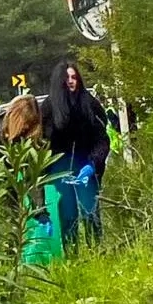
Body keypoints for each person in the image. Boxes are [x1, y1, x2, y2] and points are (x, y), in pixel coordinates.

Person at [45, 61, 110, 243]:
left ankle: (96, 250)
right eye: (66, 78)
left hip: (86, 164)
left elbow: (102, 139)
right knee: (68, 215)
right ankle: (71, 253)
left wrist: (93, 164)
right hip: (60, 167)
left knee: (90, 211)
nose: (71, 81)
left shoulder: (90, 104)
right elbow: (43, 142)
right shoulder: (49, 108)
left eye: (74, 77)